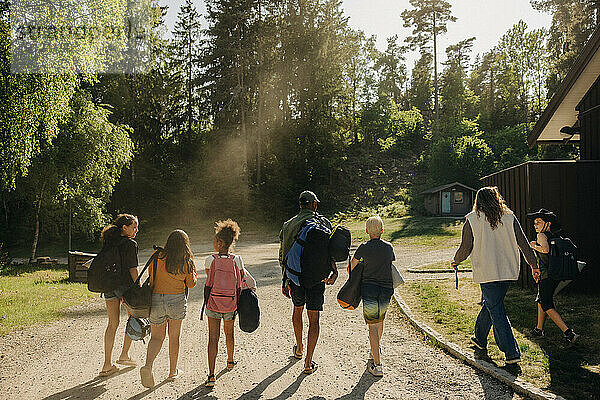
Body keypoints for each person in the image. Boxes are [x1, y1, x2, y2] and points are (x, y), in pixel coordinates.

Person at [451, 187, 539, 365]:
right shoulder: (509, 217)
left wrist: (456, 260)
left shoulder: (472, 219)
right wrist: (534, 265)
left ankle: (511, 351)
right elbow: (523, 244)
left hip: (487, 271)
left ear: (478, 201)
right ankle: (479, 338)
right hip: (506, 271)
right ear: (497, 198)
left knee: (496, 308)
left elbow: (465, 247)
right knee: (492, 304)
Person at [279, 190, 338, 374]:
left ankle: (298, 348)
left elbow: (283, 254)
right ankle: (308, 361)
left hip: (296, 278)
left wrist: (285, 279)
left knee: (297, 310)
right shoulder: (324, 223)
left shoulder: (288, 225)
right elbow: (331, 252)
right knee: (314, 319)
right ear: (313, 204)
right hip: (317, 279)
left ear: (300, 205)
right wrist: (334, 272)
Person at [140, 229, 197, 388]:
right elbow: (191, 284)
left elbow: (151, 279)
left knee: (157, 337)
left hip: (157, 299)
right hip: (177, 300)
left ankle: (148, 366)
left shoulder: (157, 257)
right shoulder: (186, 260)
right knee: (174, 337)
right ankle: (172, 372)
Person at [349, 215, 395, 377]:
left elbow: (351, 268)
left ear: (367, 231)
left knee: (372, 326)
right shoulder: (389, 248)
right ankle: (375, 350)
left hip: (369, 290)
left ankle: (377, 365)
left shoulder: (363, 248)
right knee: (380, 320)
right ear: (382, 231)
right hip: (386, 290)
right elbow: (389, 264)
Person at [204, 219, 246, 387]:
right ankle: (230, 361)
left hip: (213, 303)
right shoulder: (237, 260)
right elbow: (241, 279)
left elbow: (209, 279)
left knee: (213, 337)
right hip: (230, 303)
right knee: (229, 333)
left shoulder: (210, 260)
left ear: (220, 242)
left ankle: (212, 374)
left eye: (215, 240)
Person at [527, 208, 579, 343]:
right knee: (542, 300)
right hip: (554, 274)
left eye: (539, 222)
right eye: (534, 223)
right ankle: (538, 330)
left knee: (546, 304)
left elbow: (545, 249)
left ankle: (569, 333)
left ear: (548, 223)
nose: (535, 225)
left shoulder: (541, 236)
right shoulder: (555, 236)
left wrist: (533, 246)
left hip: (546, 276)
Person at [99, 214, 140, 377]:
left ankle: (107, 364)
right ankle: (124, 354)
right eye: (134, 227)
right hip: (125, 288)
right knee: (133, 318)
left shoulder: (109, 242)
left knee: (112, 324)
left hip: (109, 286)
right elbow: (133, 269)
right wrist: (140, 287)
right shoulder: (130, 244)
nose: (136, 230)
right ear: (125, 228)